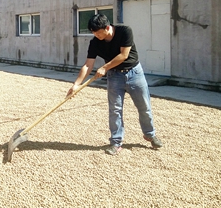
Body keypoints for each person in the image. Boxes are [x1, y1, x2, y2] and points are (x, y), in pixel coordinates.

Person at [67, 13, 163, 155]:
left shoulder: (125, 31)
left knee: (144, 106)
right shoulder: (95, 42)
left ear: (107, 27)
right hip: (114, 76)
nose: (96, 35)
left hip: (135, 73)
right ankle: (116, 143)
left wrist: (105, 67)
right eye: (93, 33)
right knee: (115, 110)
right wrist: (76, 84)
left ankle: (150, 134)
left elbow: (123, 55)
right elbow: (88, 65)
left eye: (98, 32)